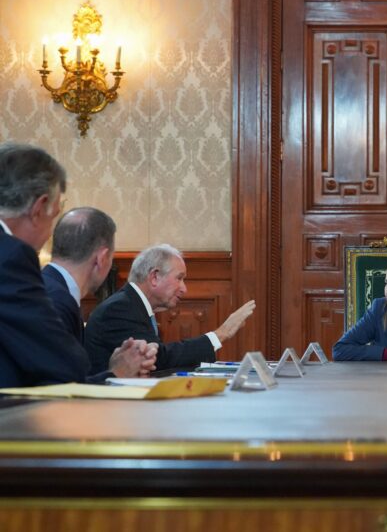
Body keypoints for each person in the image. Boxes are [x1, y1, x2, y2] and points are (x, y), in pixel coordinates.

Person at [85, 244, 256, 372]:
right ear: (155, 277)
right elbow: (159, 359)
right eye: (179, 278)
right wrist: (220, 334)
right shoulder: (120, 308)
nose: (184, 288)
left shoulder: (133, 304)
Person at [0, 142, 89, 387]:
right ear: (39, 208)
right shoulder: (10, 256)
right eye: (54, 216)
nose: (50, 233)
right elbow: (64, 362)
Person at [42, 207, 158, 381]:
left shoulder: (49, 288)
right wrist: (117, 373)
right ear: (102, 258)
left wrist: (115, 366)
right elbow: (57, 390)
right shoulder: (56, 301)